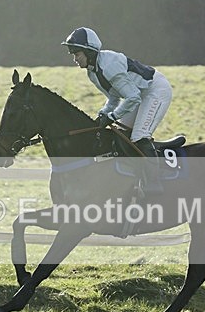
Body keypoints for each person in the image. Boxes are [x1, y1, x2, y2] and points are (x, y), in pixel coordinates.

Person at [61, 27, 172, 194]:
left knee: (139, 135)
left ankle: (153, 185)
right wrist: (103, 113)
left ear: (89, 52)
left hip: (155, 90)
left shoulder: (109, 66)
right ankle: (133, 180)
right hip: (138, 94)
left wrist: (112, 116)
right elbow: (114, 98)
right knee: (120, 133)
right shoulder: (93, 72)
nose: (75, 59)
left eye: (77, 54)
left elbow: (133, 98)